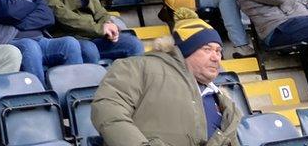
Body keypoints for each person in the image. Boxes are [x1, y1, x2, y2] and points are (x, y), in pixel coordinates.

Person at [92, 8, 241, 146]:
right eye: (207, 49)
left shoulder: (224, 101)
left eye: (219, 51)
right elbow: (108, 111)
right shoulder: (138, 68)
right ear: (185, 50)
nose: (216, 57)